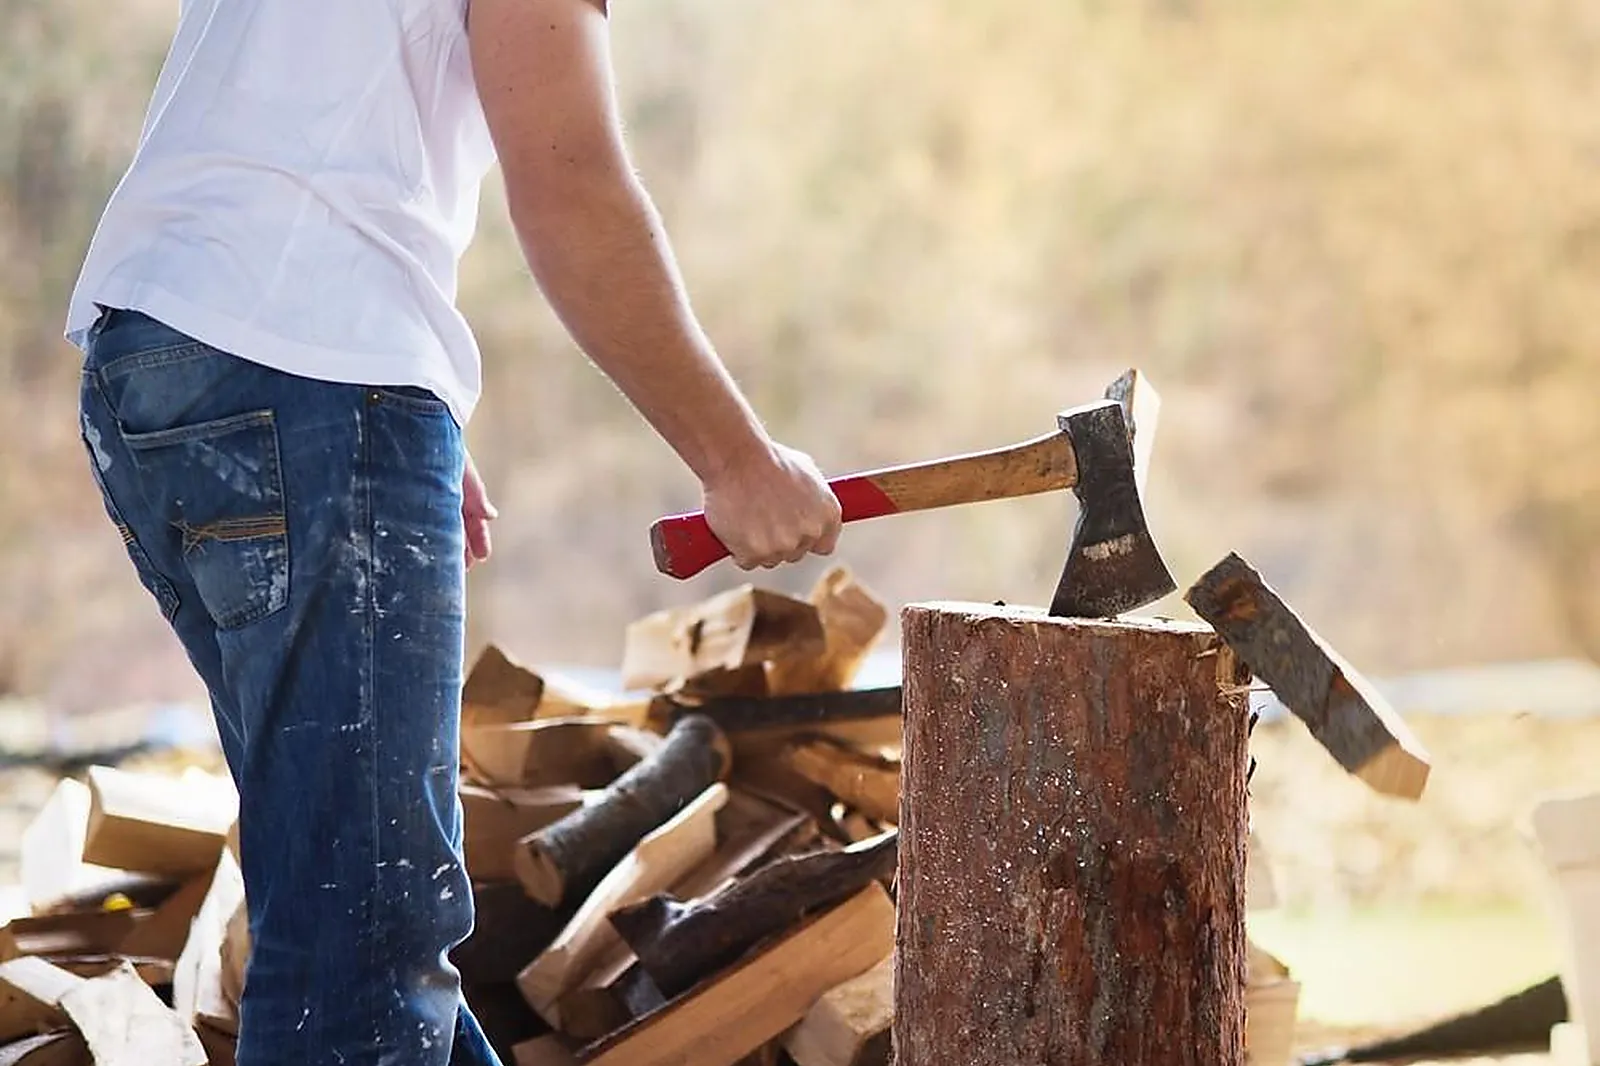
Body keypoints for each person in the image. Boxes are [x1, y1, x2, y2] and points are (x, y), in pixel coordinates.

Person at [64, 0, 844, 1061]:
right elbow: (570, 188)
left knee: (350, 903)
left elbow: (296, 119)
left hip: (162, 359)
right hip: (307, 373)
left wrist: (374, 402)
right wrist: (735, 461)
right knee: (365, 943)